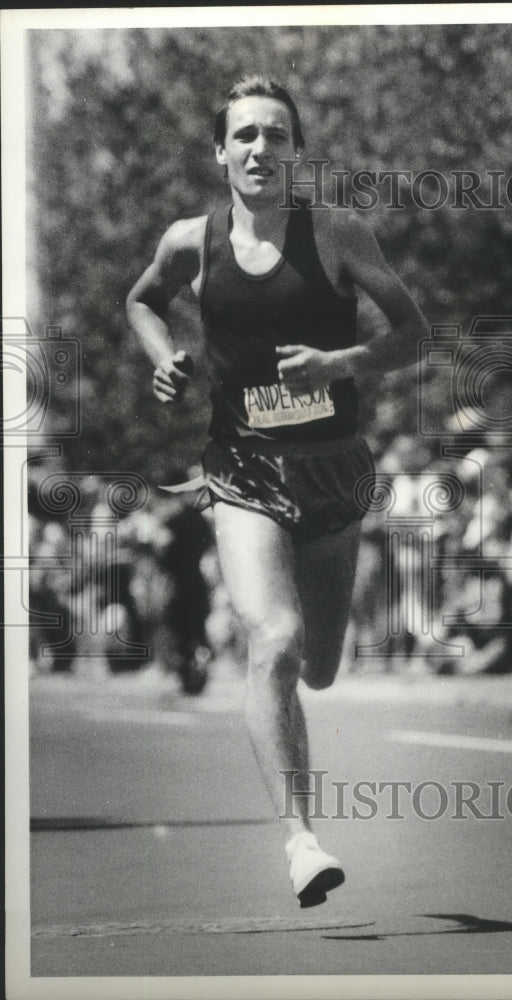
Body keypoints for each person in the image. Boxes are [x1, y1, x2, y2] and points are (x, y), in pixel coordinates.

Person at [126, 76, 428, 907]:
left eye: (277, 135)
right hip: (241, 469)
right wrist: (163, 358)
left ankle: (302, 736)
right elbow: (142, 301)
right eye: (246, 136)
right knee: (275, 639)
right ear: (220, 151)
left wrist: (342, 364)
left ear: (297, 151)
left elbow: (412, 335)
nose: (261, 149)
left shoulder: (334, 234)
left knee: (321, 667)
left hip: (332, 472)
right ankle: (300, 840)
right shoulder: (191, 241)